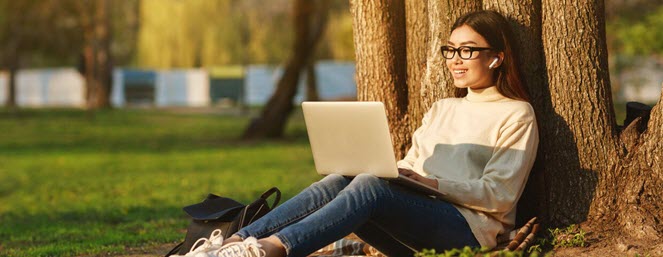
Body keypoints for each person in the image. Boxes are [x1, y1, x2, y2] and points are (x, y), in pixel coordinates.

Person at [173, 10, 539, 257]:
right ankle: (234, 243)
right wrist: (404, 174)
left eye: (467, 50)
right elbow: (411, 166)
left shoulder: (516, 114)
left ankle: (269, 250)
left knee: (370, 186)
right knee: (346, 176)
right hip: (415, 216)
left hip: (468, 231)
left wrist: (432, 184)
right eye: (450, 50)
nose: (455, 59)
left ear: (496, 57)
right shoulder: (444, 107)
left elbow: (500, 196)